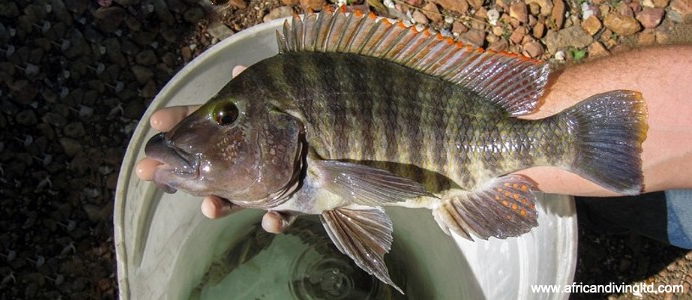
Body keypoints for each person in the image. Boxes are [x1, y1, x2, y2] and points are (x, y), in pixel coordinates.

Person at [134, 45, 692, 248]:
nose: (203, 135)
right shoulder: (305, 168)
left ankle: (605, 185)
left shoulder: (315, 171)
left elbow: (360, 189)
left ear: (287, 127)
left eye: (225, 116)